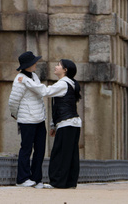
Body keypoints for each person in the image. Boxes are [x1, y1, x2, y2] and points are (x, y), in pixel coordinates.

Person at [19, 58, 82, 189]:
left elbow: (45, 91)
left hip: (67, 123)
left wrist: (26, 81)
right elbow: (59, 106)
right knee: (71, 154)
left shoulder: (63, 83)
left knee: (59, 154)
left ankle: (57, 182)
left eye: (58, 65)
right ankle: (70, 182)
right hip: (73, 124)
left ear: (65, 70)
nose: (55, 67)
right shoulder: (71, 83)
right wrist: (54, 125)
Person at [7, 50, 46, 188]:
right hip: (27, 120)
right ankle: (22, 179)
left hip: (40, 119)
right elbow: (13, 101)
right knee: (26, 149)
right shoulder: (19, 80)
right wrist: (16, 115)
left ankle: (37, 178)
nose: (36, 63)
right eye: (34, 62)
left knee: (40, 149)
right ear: (28, 64)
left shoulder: (34, 76)